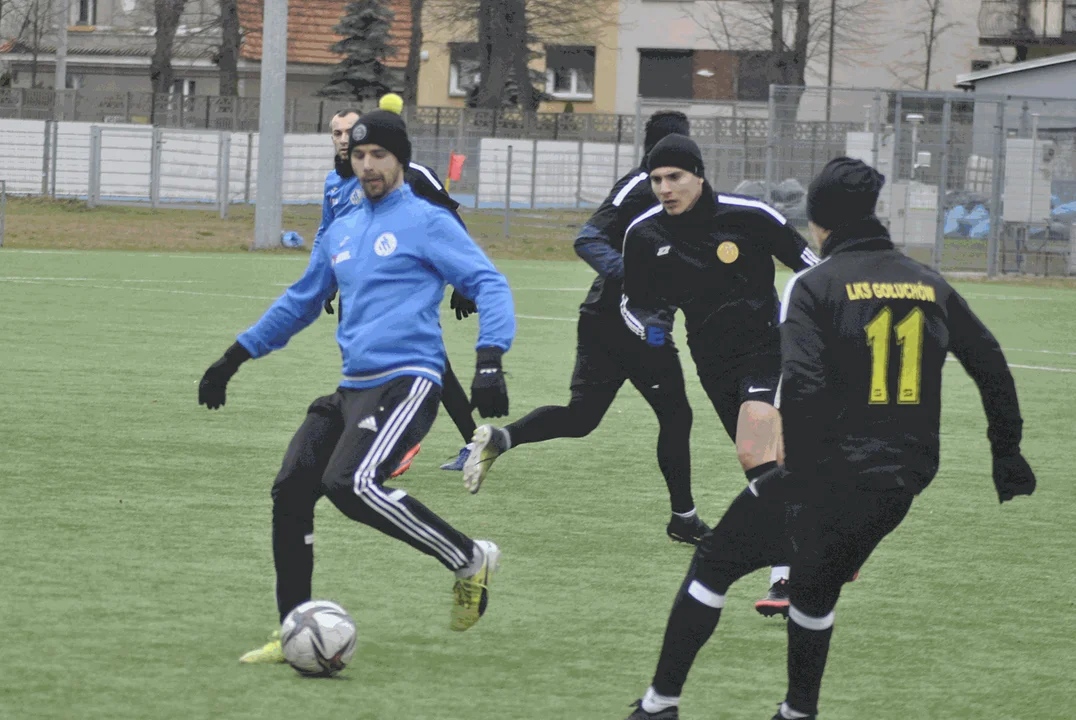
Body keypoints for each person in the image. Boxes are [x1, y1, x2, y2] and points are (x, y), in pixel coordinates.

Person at [622, 157, 1036, 720]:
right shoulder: (927, 282)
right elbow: (990, 364)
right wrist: (1007, 453)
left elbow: (806, 385)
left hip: (829, 472)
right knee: (815, 590)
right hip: (903, 479)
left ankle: (658, 705)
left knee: (715, 562)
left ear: (818, 221)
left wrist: (800, 480)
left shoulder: (814, 284)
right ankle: (798, 712)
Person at [198, 110, 516, 664]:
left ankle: (469, 557)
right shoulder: (341, 228)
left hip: (408, 380)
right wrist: (234, 356)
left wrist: (489, 356)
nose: (367, 166)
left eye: (379, 157)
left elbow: (487, 282)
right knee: (292, 489)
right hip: (351, 388)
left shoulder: (425, 220)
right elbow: (300, 301)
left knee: (353, 484)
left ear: (400, 160)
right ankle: (292, 627)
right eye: (359, 156)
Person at [463, 111, 711, 545]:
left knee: (581, 417)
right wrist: (636, 277)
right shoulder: (642, 187)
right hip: (630, 324)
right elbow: (588, 238)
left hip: (603, 319)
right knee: (676, 415)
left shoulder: (674, 194)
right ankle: (683, 518)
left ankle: (502, 438)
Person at [619, 134, 821, 614]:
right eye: (656, 180)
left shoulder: (748, 216)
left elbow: (811, 267)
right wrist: (651, 324)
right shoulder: (645, 234)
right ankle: (815, 545)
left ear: (698, 175)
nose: (665, 188)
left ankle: (792, 570)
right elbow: (634, 300)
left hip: (770, 348)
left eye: (674, 177)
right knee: (778, 457)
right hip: (711, 361)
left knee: (755, 452)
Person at [319, 104, 480, 473]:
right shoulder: (335, 182)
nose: (344, 139)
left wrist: (463, 279)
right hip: (357, 289)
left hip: (406, 286)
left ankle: (409, 443)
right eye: (337, 133)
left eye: (350, 131)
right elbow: (330, 235)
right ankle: (391, 442)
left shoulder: (412, 174)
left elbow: (450, 221)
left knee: (432, 364)